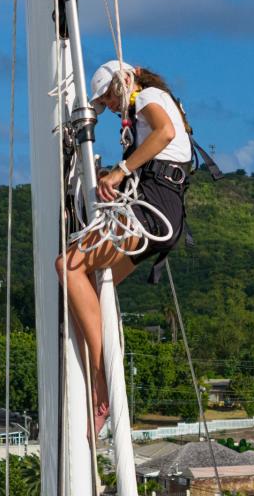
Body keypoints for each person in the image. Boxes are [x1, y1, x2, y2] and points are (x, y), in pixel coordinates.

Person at [55, 60, 192, 438]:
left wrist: (119, 171)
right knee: (94, 288)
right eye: (103, 102)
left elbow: (163, 133)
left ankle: (103, 384)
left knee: (68, 267)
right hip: (159, 211)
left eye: (110, 97)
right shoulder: (143, 110)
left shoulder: (149, 95)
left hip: (154, 208)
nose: (110, 106)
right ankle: (106, 383)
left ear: (124, 82)